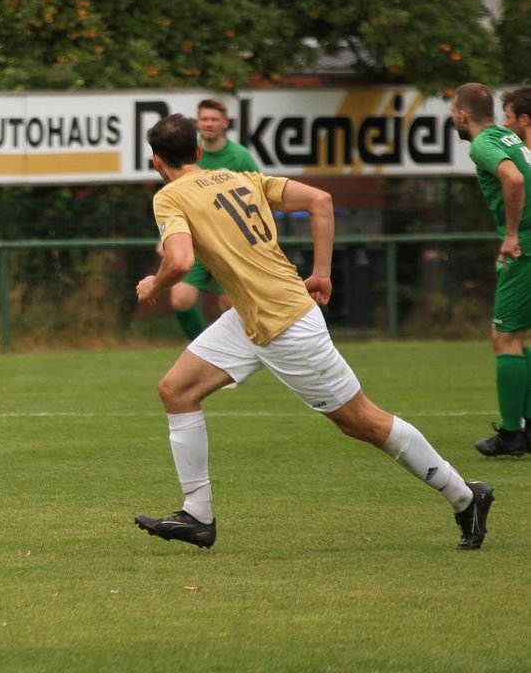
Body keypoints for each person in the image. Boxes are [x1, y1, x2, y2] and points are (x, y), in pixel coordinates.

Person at [133, 113, 491, 550]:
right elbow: (320, 200)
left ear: (156, 160)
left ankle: (464, 495)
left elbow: (180, 261)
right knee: (176, 390)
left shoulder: (169, 196)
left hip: (285, 323)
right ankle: (197, 515)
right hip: (251, 315)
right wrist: (321, 273)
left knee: (361, 421)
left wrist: (153, 285)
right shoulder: (240, 177)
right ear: (196, 151)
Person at [450, 82, 531, 458]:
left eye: (453, 112)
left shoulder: (483, 143)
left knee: (505, 338)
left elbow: (514, 179)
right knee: (520, 336)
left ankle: (512, 435)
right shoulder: (507, 137)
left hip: (525, 247)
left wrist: (511, 235)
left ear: (462, 114)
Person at [168, 98, 259, 342]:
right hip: (196, 242)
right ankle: (204, 349)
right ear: (197, 122)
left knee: (229, 305)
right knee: (181, 299)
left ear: (225, 123)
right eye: (204, 119)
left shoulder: (240, 157)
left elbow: (258, 196)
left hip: (230, 243)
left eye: (214, 119)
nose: (209, 124)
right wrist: (166, 237)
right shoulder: (188, 156)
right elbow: (175, 199)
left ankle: (235, 354)